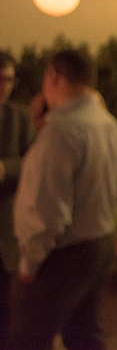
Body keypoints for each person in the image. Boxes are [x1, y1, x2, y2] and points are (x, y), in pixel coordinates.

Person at [10, 49, 117, 350]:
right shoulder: (107, 124)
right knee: (84, 334)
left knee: (26, 337)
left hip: (63, 254)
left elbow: (46, 211)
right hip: (97, 243)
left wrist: (29, 264)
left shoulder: (62, 132)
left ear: (53, 77)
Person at [0, 53, 34, 345]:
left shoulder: (18, 117)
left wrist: (6, 169)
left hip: (6, 228)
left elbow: (32, 163)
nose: (3, 86)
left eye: (8, 79)